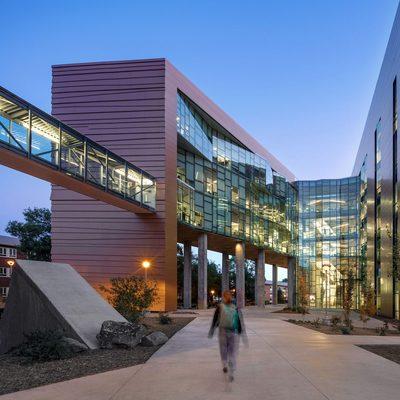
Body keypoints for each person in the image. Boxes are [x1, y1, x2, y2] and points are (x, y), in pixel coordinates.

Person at [208, 290, 247, 382]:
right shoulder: (235, 308)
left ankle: (225, 364)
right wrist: (242, 333)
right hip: (233, 331)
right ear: (231, 297)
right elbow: (240, 322)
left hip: (222, 330)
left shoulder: (219, 307)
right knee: (232, 351)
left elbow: (215, 320)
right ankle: (231, 367)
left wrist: (212, 330)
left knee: (223, 349)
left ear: (223, 297)